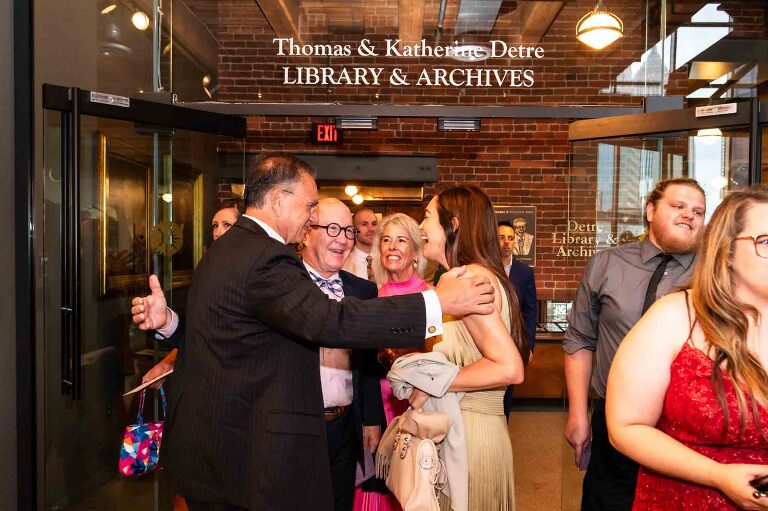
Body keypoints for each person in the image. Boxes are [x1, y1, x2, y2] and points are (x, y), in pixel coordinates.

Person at [130, 153, 497, 511]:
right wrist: (436, 304)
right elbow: (330, 321)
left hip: (217, 449)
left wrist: (169, 323)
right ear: (278, 201)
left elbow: (223, 336)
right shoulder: (266, 257)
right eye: (309, 206)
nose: (310, 218)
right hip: (242, 452)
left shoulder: (226, 249)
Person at [606, 186, 768, 511]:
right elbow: (626, 426)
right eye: (765, 241)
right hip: (688, 498)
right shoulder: (674, 316)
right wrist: (718, 475)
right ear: (728, 252)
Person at [563, 177, 707, 511]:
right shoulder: (607, 264)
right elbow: (580, 339)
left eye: (698, 211)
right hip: (614, 419)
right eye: (679, 206)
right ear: (650, 210)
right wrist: (577, 413)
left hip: (687, 428)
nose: (690, 215)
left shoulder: (713, 275)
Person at [411, 184, 527, 511]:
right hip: (465, 426)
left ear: (454, 224)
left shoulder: (471, 280)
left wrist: (435, 381)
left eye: (428, 217)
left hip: (470, 432)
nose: (421, 227)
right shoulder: (466, 276)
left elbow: (509, 367)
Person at [302, 198, 385, 511]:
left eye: (349, 231)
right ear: (307, 232)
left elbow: (368, 361)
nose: (343, 239)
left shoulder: (363, 291)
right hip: (296, 425)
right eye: (332, 228)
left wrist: (372, 419)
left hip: (344, 424)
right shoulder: (286, 284)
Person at [354, 213, 431, 511]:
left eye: (401, 240)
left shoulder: (429, 296)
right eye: (386, 240)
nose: (391, 246)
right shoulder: (372, 297)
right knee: (379, 481)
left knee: (411, 480)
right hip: (379, 403)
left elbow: (437, 358)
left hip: (414, 403)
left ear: (415, 252)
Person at [498, 220, 537, 416]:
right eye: (501, 237)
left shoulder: (525, 272)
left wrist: (529, 346)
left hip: (514, 342)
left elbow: (530, 311)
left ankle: (502, 431)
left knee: (507, 393)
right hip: (489, 339)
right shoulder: (486, 269)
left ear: (515, 242)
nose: (506, 242)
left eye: (510, 238)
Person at [343, 207, 379, 280]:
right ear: (353, 230)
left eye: (374, 224)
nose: (371, 229)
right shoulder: (342, 262)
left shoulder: (388, 260)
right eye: (364, 224)